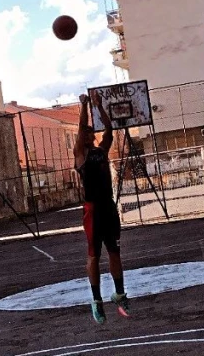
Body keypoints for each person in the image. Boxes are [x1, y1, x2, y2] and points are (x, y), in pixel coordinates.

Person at [74, 90, 130, 324]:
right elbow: (80, 130)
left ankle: (119, 293)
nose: (89, 133)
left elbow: (109, 129)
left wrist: (99, 106)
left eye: (90, 131)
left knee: (114, 251)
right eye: (86, 132)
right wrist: (85, 106)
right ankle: (96, 300)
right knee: (94, 256)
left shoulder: (101, 150)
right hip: (93, 209)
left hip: (107, 207)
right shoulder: (80, 154)